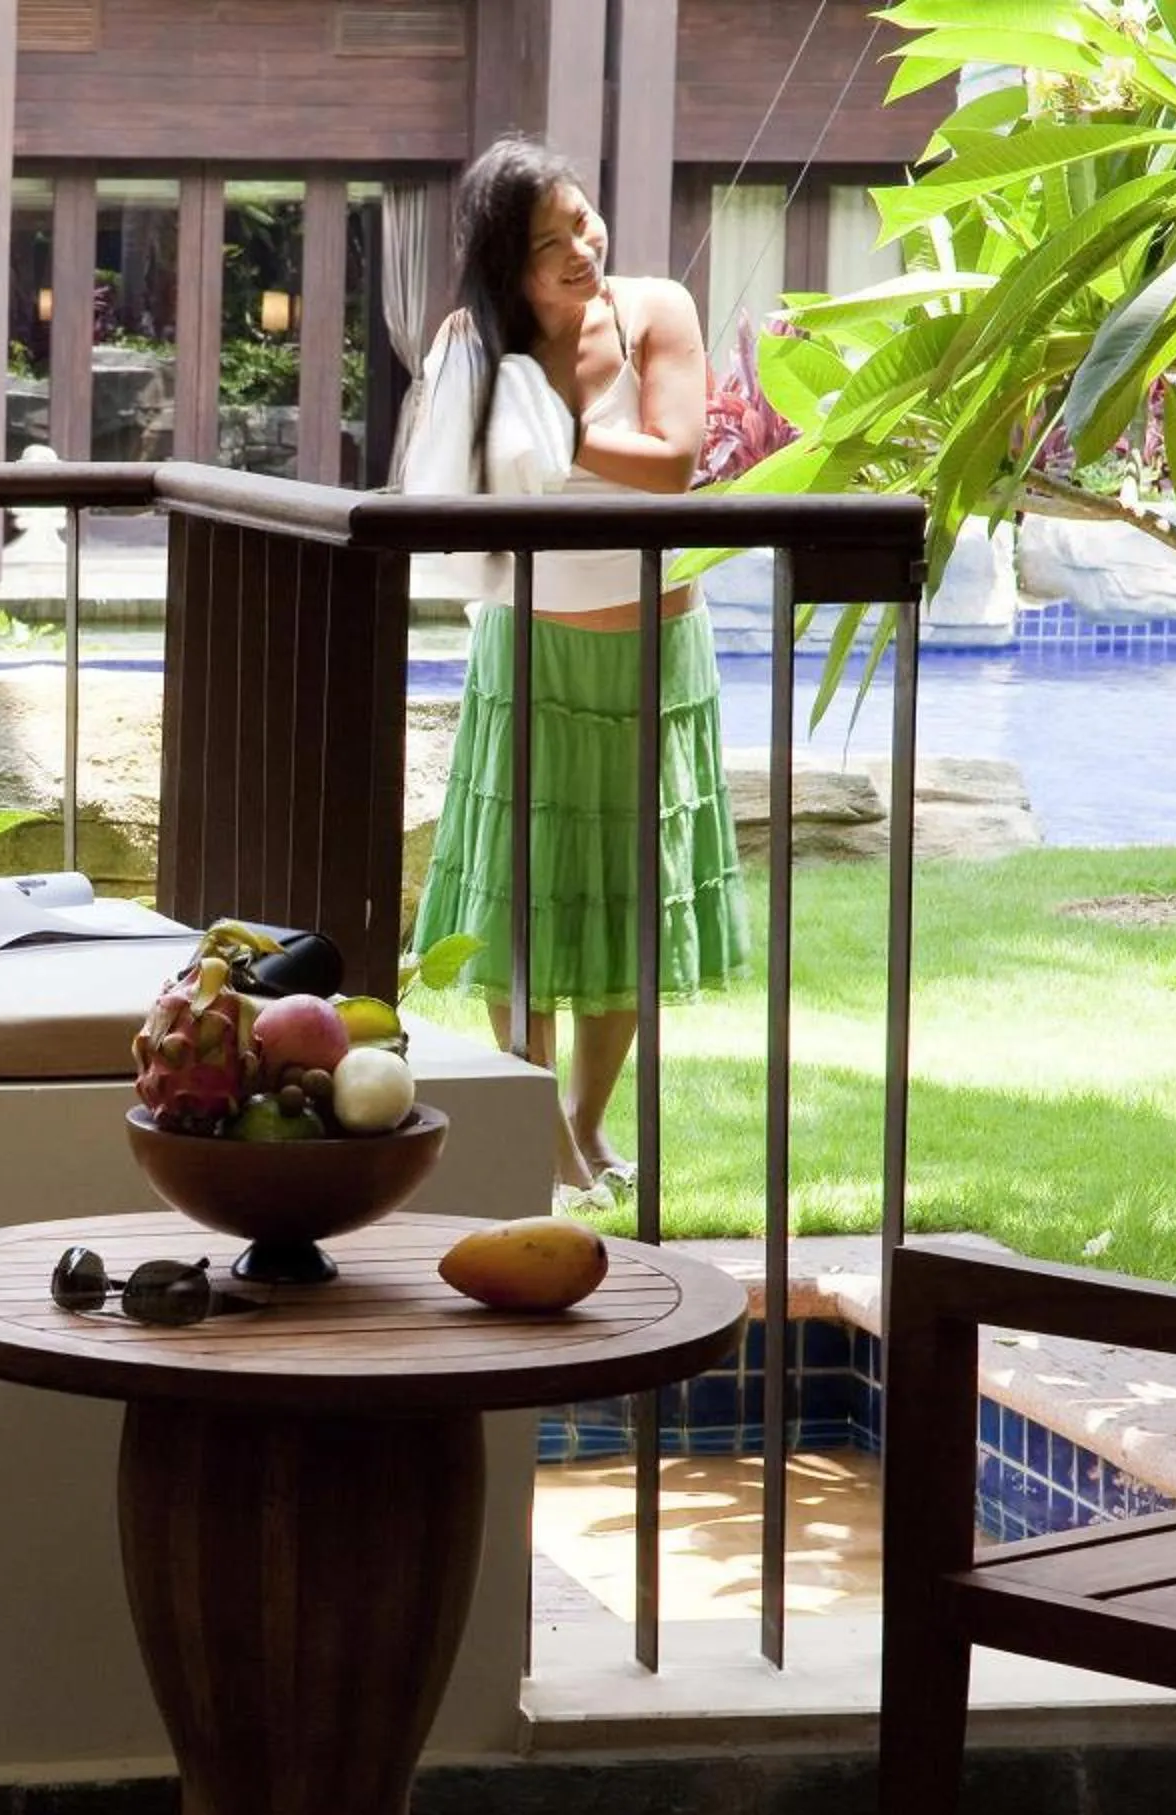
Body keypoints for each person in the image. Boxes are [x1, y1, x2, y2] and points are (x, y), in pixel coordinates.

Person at [400, 136, 747, 1197]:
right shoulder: (472, 339)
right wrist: (510, 412)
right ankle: (543, 1139)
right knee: (523, 898)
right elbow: (440, 495)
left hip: (655, 655)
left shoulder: (655, 313)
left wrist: (554, 435)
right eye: (548, 241)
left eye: (584, 221)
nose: (579, 250)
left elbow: (675, 462)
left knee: (632, 897)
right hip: (531, 651)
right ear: (506, 262)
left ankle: (591, 1128)